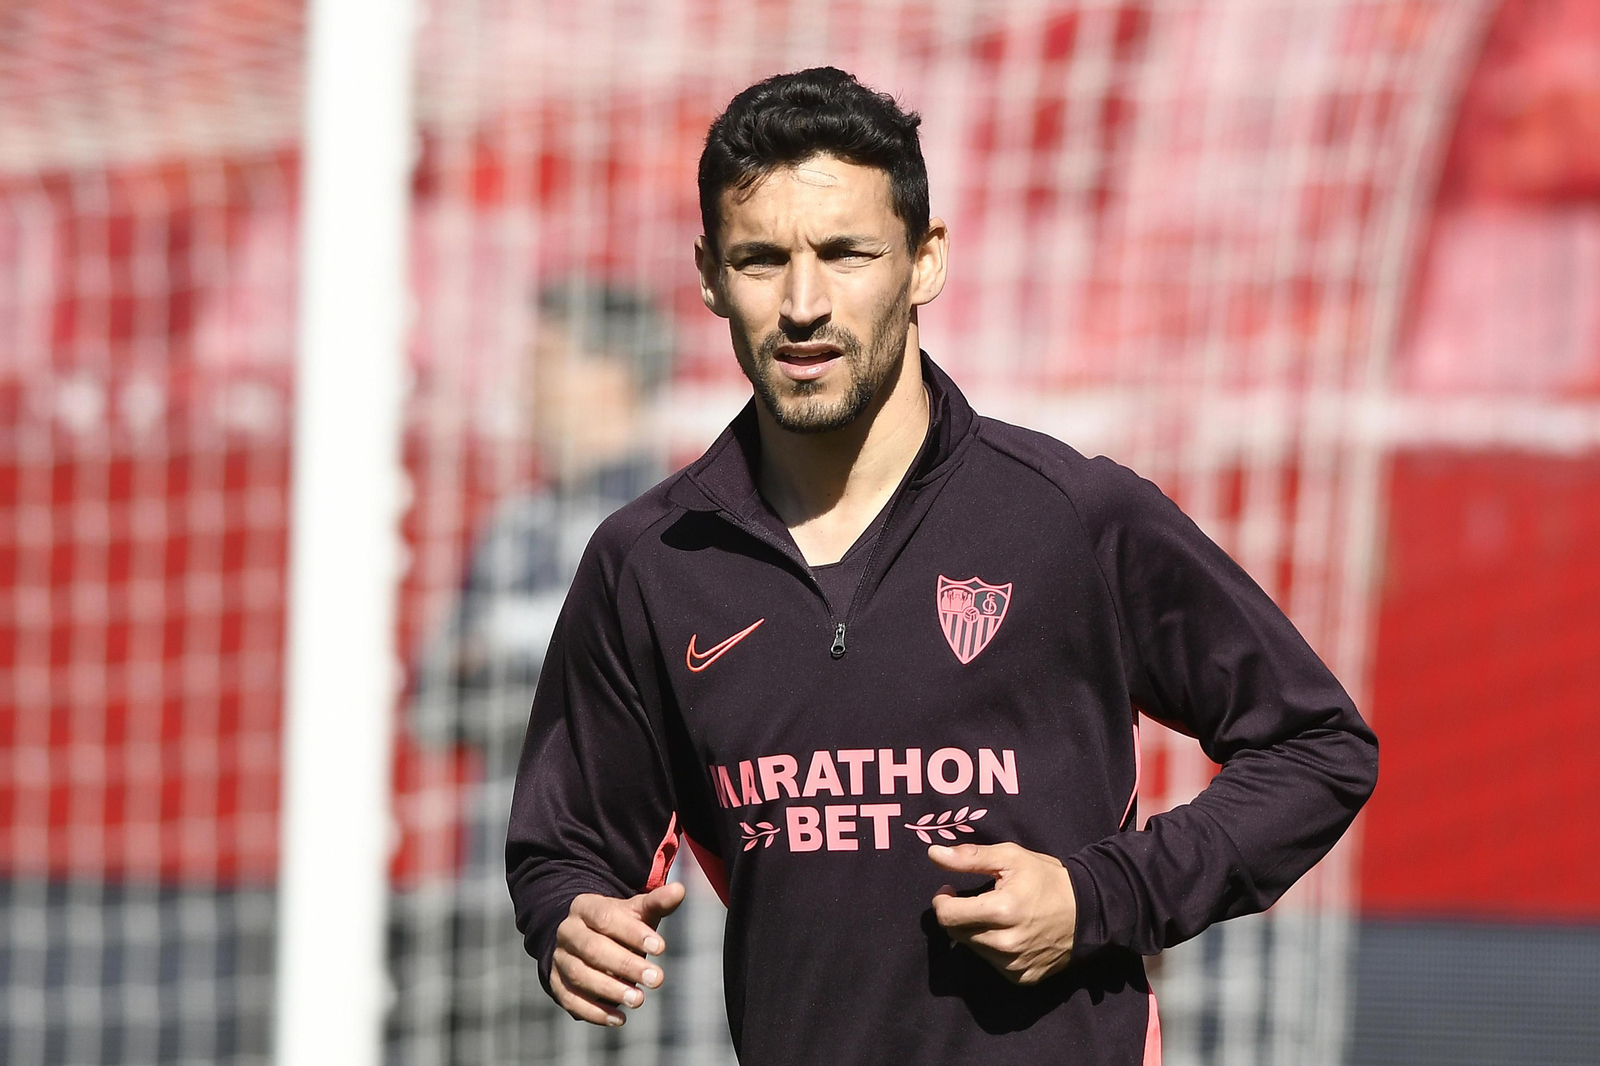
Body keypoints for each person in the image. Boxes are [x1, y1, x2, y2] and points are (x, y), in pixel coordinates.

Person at [507, 67, 1378, 1065]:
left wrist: (1105, 896)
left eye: (844, 254)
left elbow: (1317, 744)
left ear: (924, 261)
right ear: (709, 275)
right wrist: (566, 917)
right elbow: (569, 843)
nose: (802, 303)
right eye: (760, 261)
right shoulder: (650, 560)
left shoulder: (1068, 515)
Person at [390, 281, 676, 1064]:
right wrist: (570, 689)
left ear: (613, 374)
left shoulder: (677, 531)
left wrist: (514, 680)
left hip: (643, 916)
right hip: (500, 904)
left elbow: (673, 712)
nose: (528, 383)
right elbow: (431, 701)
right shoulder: (512, 531)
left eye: (548, 361)